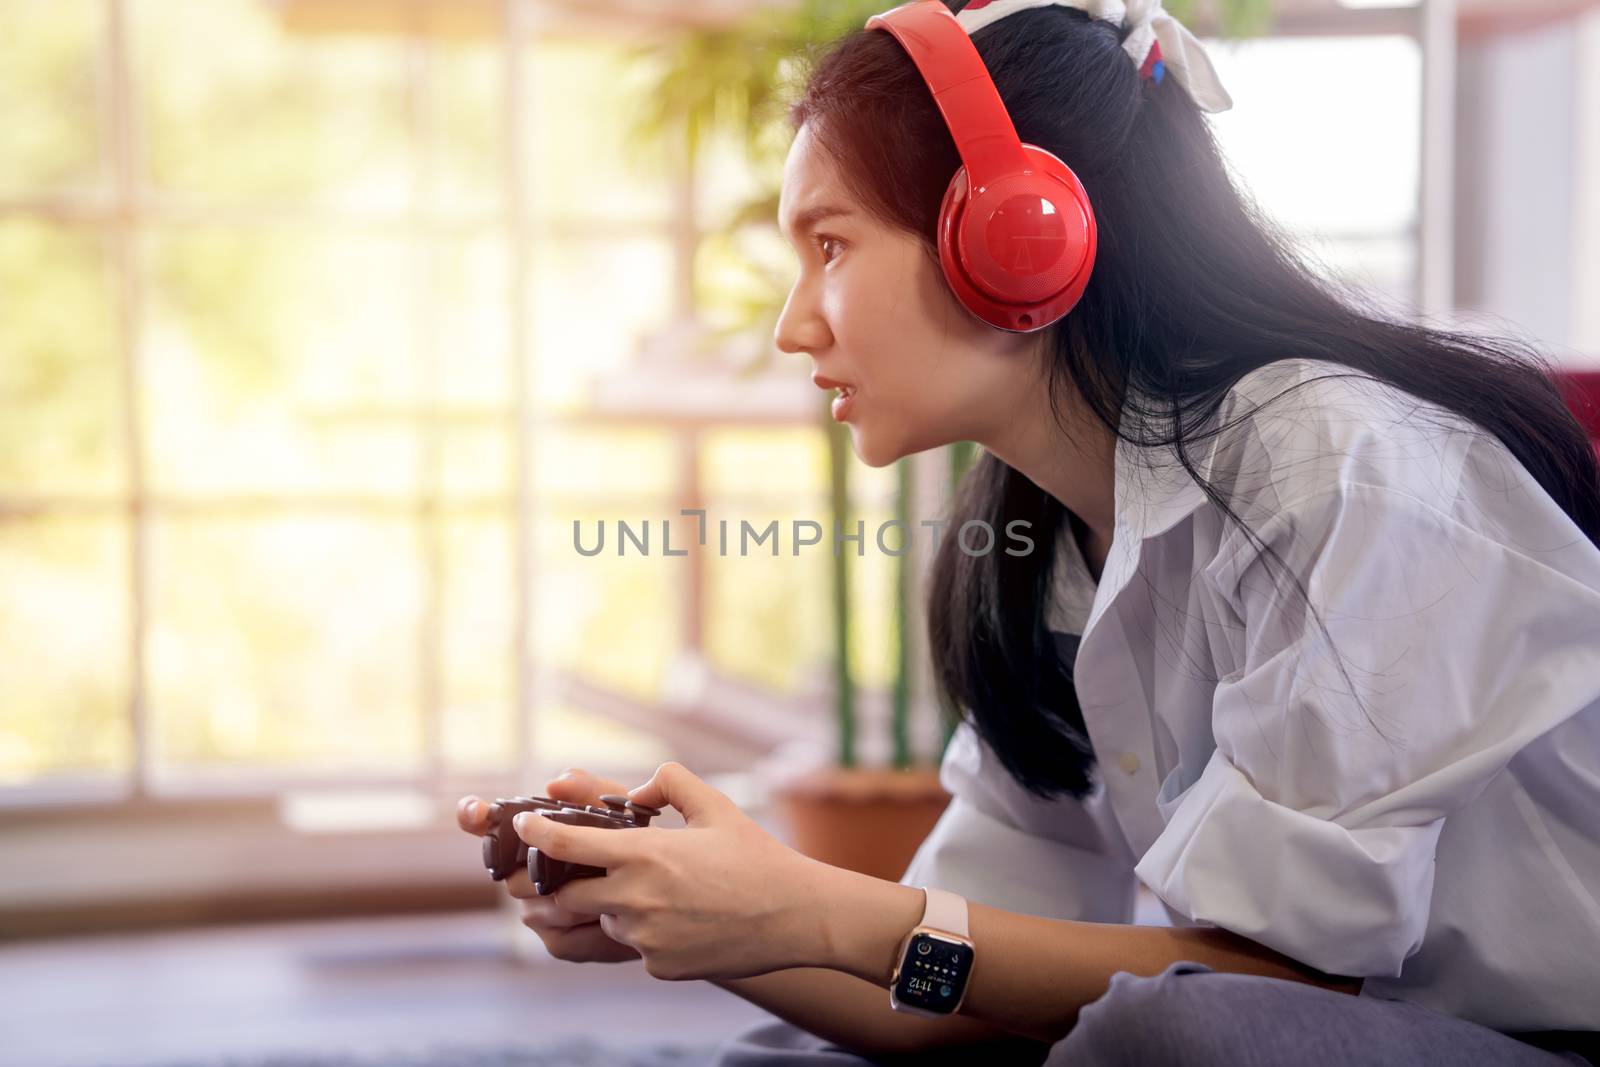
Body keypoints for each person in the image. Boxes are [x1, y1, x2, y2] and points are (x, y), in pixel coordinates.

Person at [458, 0, 1600, 1062]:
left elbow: (1271, 986)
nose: (792, 326)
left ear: (1014, 237)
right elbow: (949, 979)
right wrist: (716, 914)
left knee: (1164, 1035)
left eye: (831, 246)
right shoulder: (1040, 544)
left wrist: (806, 905)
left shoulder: (1342, 471)